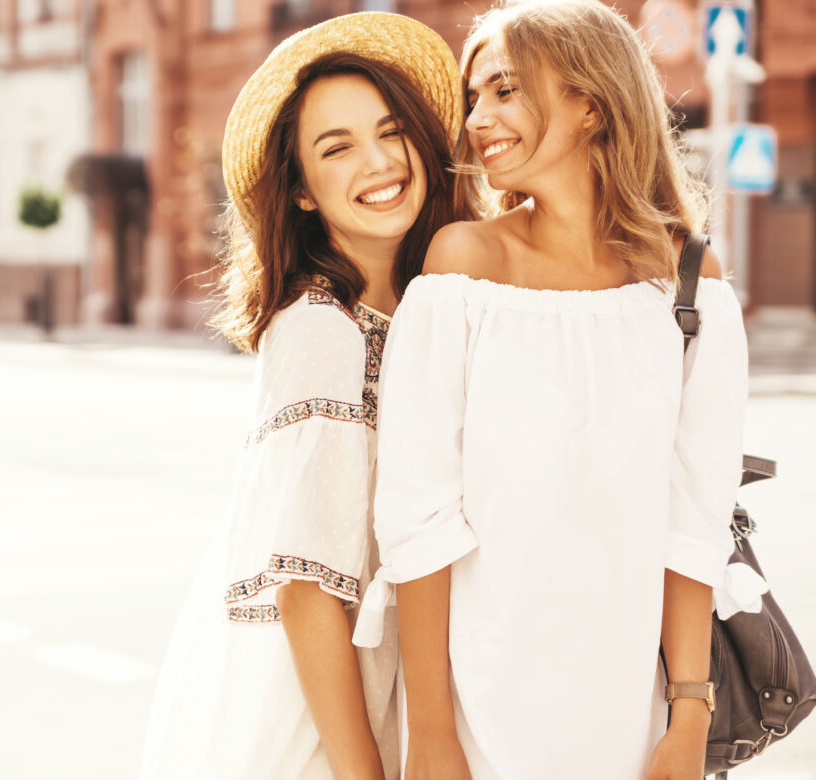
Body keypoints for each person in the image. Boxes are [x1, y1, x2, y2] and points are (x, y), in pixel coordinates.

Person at [350, 1, 749, 778]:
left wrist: (689, 718)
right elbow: (417, 515)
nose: (477, 119)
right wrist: (431, 733)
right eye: (475, 98)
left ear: (590, 102)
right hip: (481, 702)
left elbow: (695, 519)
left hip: (629, 703)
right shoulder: (462, 266)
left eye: (503, 90)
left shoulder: (689, 283)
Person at [140, 13, 473, 779]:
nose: (379, 162)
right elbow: (304, 588)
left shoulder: (431, 301)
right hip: (337, 713)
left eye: (391, 132)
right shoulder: (321, 330)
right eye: (337, 148)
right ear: (300, 193)